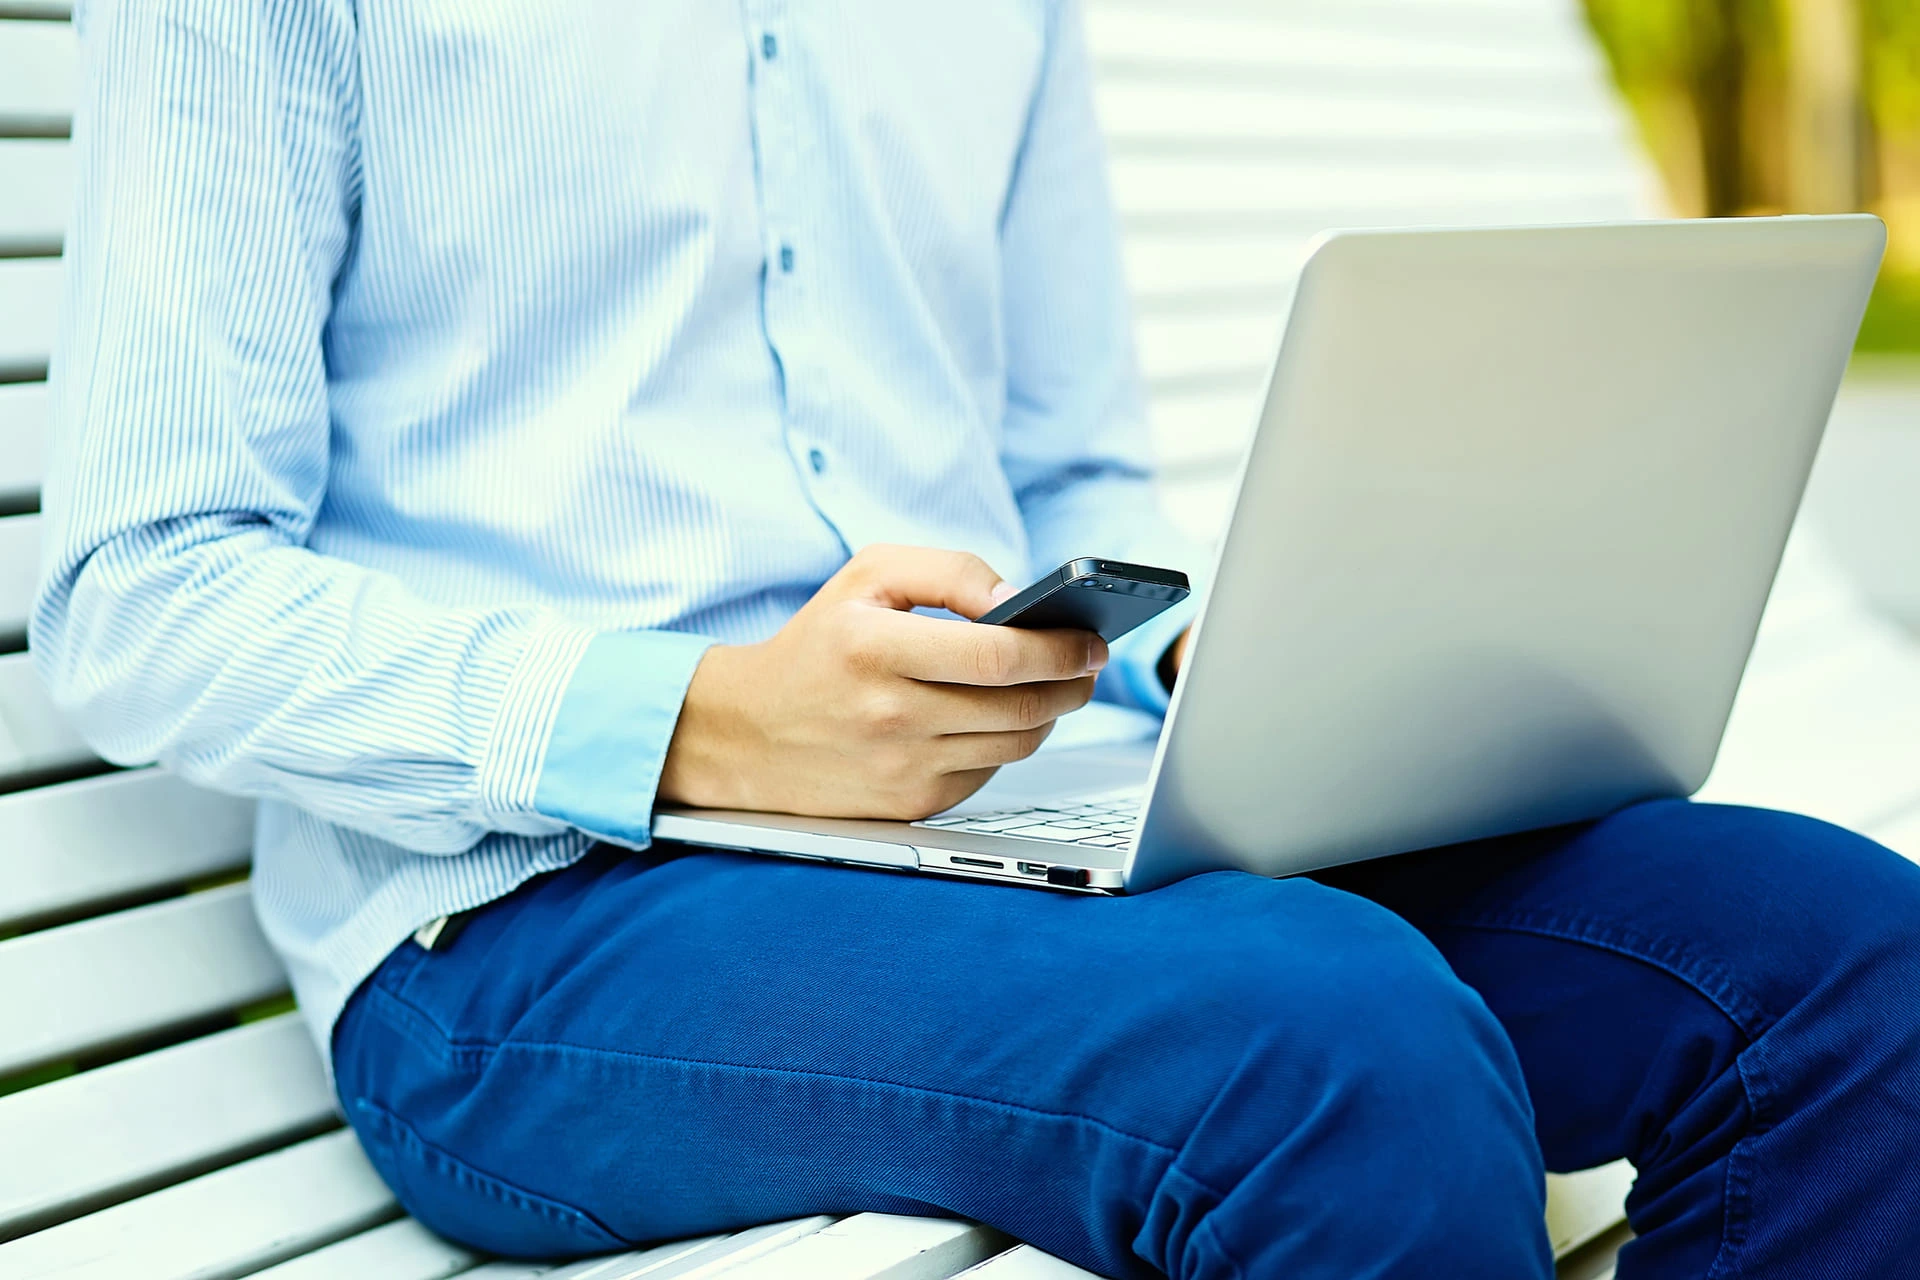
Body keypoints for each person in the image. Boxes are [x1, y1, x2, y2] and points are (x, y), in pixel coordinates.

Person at [29, 1, 1920, 1277]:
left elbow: (1070, 471)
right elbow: (139, 587)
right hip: (523, 923)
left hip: (1021, 816)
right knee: (1332, 1046)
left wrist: (1237, 653)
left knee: (1837, 958)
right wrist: (695, 719)